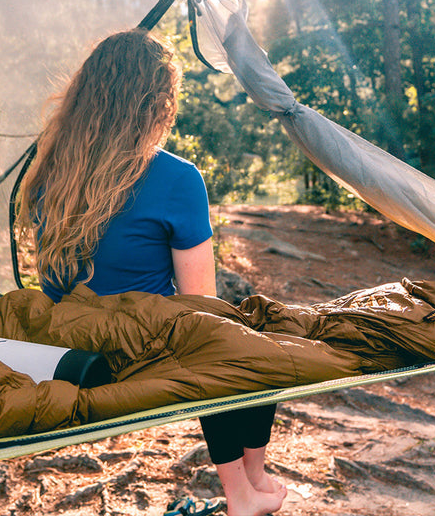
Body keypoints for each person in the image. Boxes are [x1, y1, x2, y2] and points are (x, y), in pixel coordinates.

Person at [17, 28, 287, 516]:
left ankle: (250, 483)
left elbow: (52, 282)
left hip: (65, 347)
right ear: (156, 103)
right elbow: (200, 306)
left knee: (232, 335)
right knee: (253, 338)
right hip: (131, 354)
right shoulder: (177, 178)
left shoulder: (50, 168)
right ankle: (246, 485)